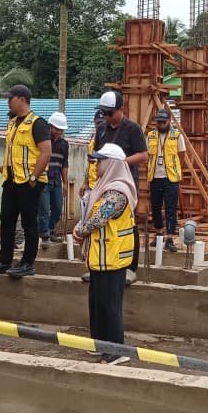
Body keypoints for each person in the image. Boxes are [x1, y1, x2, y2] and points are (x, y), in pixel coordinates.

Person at [73, 143, 137, 366]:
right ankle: (100, 344)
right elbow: (91, 214)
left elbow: (101, 217)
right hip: (100, 257)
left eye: (99, 161)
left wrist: (81, 230)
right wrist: (80, 226)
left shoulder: (118, 190)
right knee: (97, 304)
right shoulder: (103, 187)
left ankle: (116, 351)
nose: (96, 165)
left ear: (111, 164)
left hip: (113, 257)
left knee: (110, 306)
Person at [0, 85, 52, 278]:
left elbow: (46, 152)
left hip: (29, 182)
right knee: (6, 219)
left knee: (29, 222)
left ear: (22, 99)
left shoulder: (37, 123)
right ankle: (4, 260)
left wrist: (34, 177)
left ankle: (28, 263)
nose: (7, 102)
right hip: (11, 180)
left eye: (10, 98)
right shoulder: (12, 123)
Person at [80, 90, 147, 285]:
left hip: (123, 182)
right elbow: (95, 156)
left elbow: (143, 155)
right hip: (102, 182)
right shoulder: (102, 129)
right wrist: (86, 180)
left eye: (110, 113)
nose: (106, 117)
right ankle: (97, 263)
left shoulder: (132, 129)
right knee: (102, 224)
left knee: (126, 225)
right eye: (104, 113)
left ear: (121, 109)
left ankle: (130, 267)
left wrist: (119, 163)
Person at [146, 108, 185, 253]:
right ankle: (159, 234)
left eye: (163, 122)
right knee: (156, 207)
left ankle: (169, 238)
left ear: (169, 121)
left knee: (170, 208)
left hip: (171, 177)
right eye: (159, 122)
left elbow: (182, 155)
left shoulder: (177, 136)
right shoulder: (150, 136)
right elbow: (147, 155)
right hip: (155, 177)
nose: (161, 124)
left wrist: (175, 169)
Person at [39, 112, 70, 249]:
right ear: (50, 126)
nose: (59, 132)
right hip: (43, 179)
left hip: (56, 180)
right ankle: (44, 235)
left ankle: (51, 230)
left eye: (61, 129)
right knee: (44, 209)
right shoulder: (43, 141)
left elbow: (64, 164)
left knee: (57, 207)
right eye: (57, 129)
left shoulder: (64, 145)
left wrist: (65, 183)